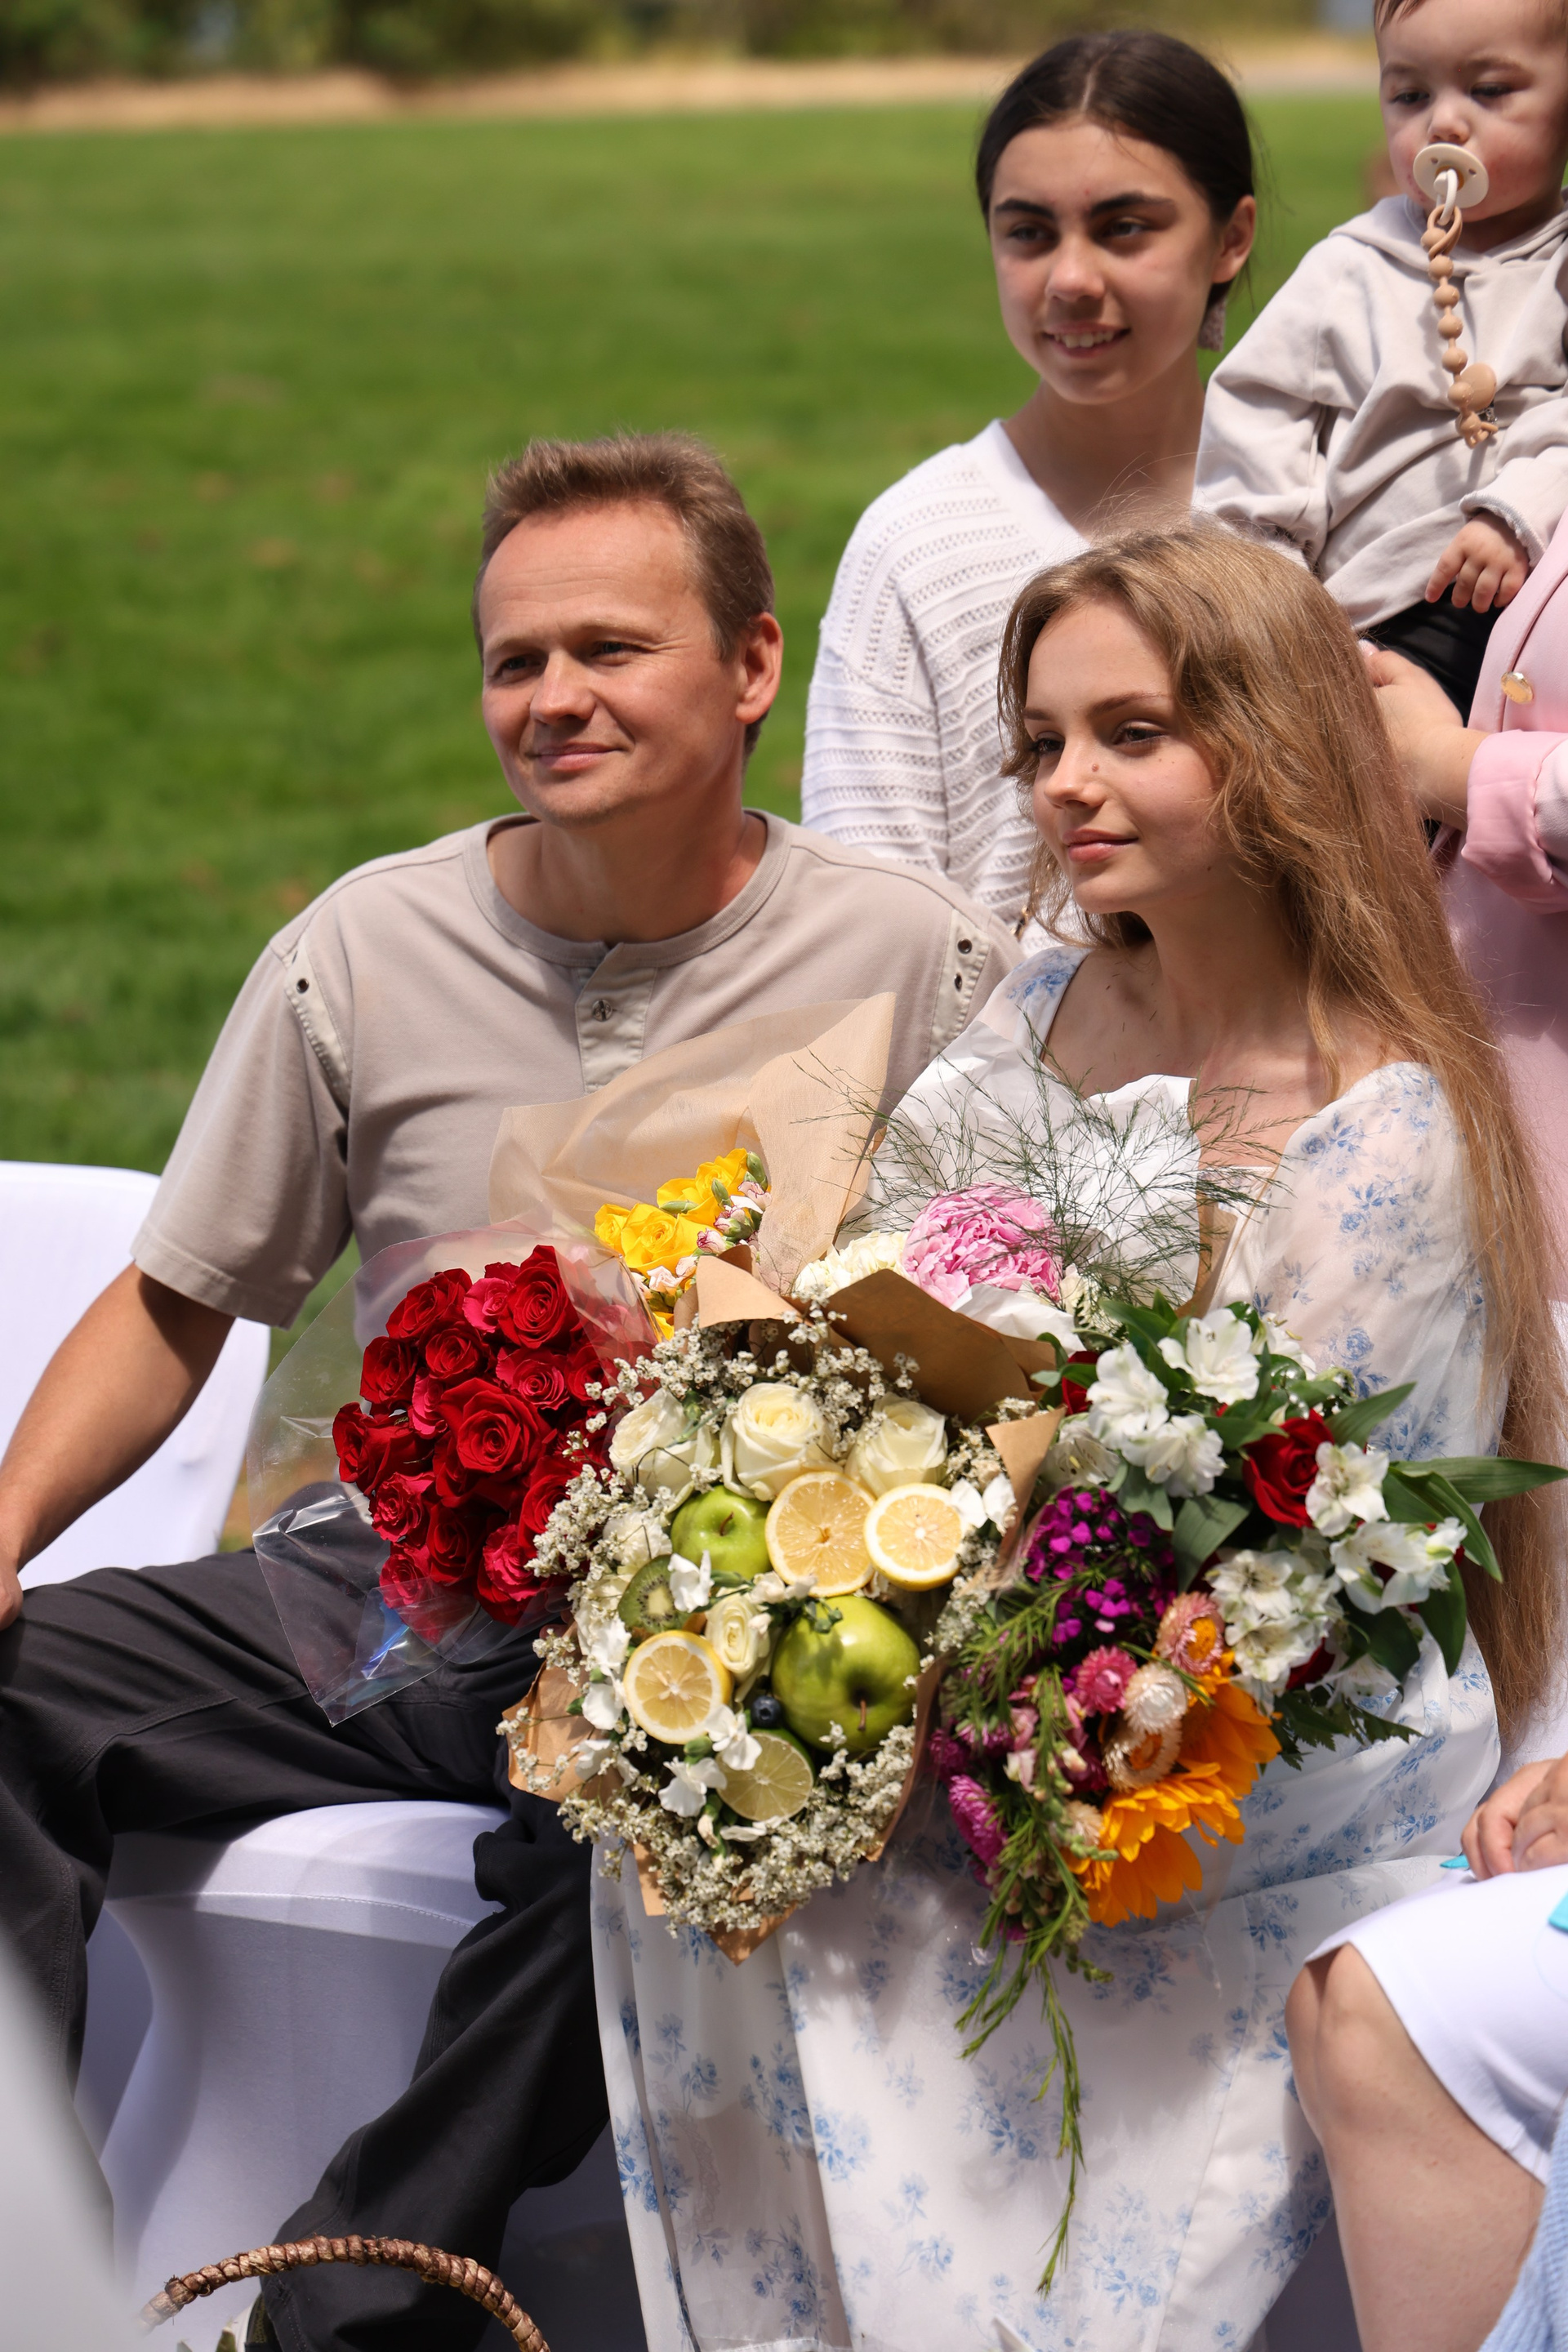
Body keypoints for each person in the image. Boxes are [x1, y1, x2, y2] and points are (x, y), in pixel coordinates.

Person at [0, 430, 1018, 2352]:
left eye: (609, 648)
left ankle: (338, 2304)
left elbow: (1009, 1316)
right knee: (10, 1688)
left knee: (688, 1809)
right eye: (514, 661)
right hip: (377, 1595)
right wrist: (2, 1522)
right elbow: (179, 1298)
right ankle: (24, 2269)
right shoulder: (367, 945)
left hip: (709, 1629)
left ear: (754, 665)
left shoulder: (917, 959)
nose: (554, 697)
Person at [590, 525, 1564, 2352]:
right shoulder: (1040, 1006)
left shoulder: (1381, 1122)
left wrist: (979, 1682)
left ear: (1272, 746)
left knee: (835, 1868)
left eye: (1131, 733)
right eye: (1042, 742)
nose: (1065, 784)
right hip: (976, 1637)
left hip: (1230, 1746)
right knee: (698, 1793)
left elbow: (1302, 1569)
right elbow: (872, 1308)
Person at [799, 31, 1256, 933]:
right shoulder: (916, 544)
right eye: (1029, 234)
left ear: (1230, 239)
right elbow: (870, 927)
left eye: (1125, 228)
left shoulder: (1319, 505)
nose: (1071, 280)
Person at [1196, 0, 1568, 716]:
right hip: (1373, 619)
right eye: (1410, 95)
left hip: (1539, 598)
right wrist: (1273, 586)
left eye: (1490, 90)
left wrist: (1524, 505)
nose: (1444, 123)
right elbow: (1254, 421)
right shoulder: (1352, 270)